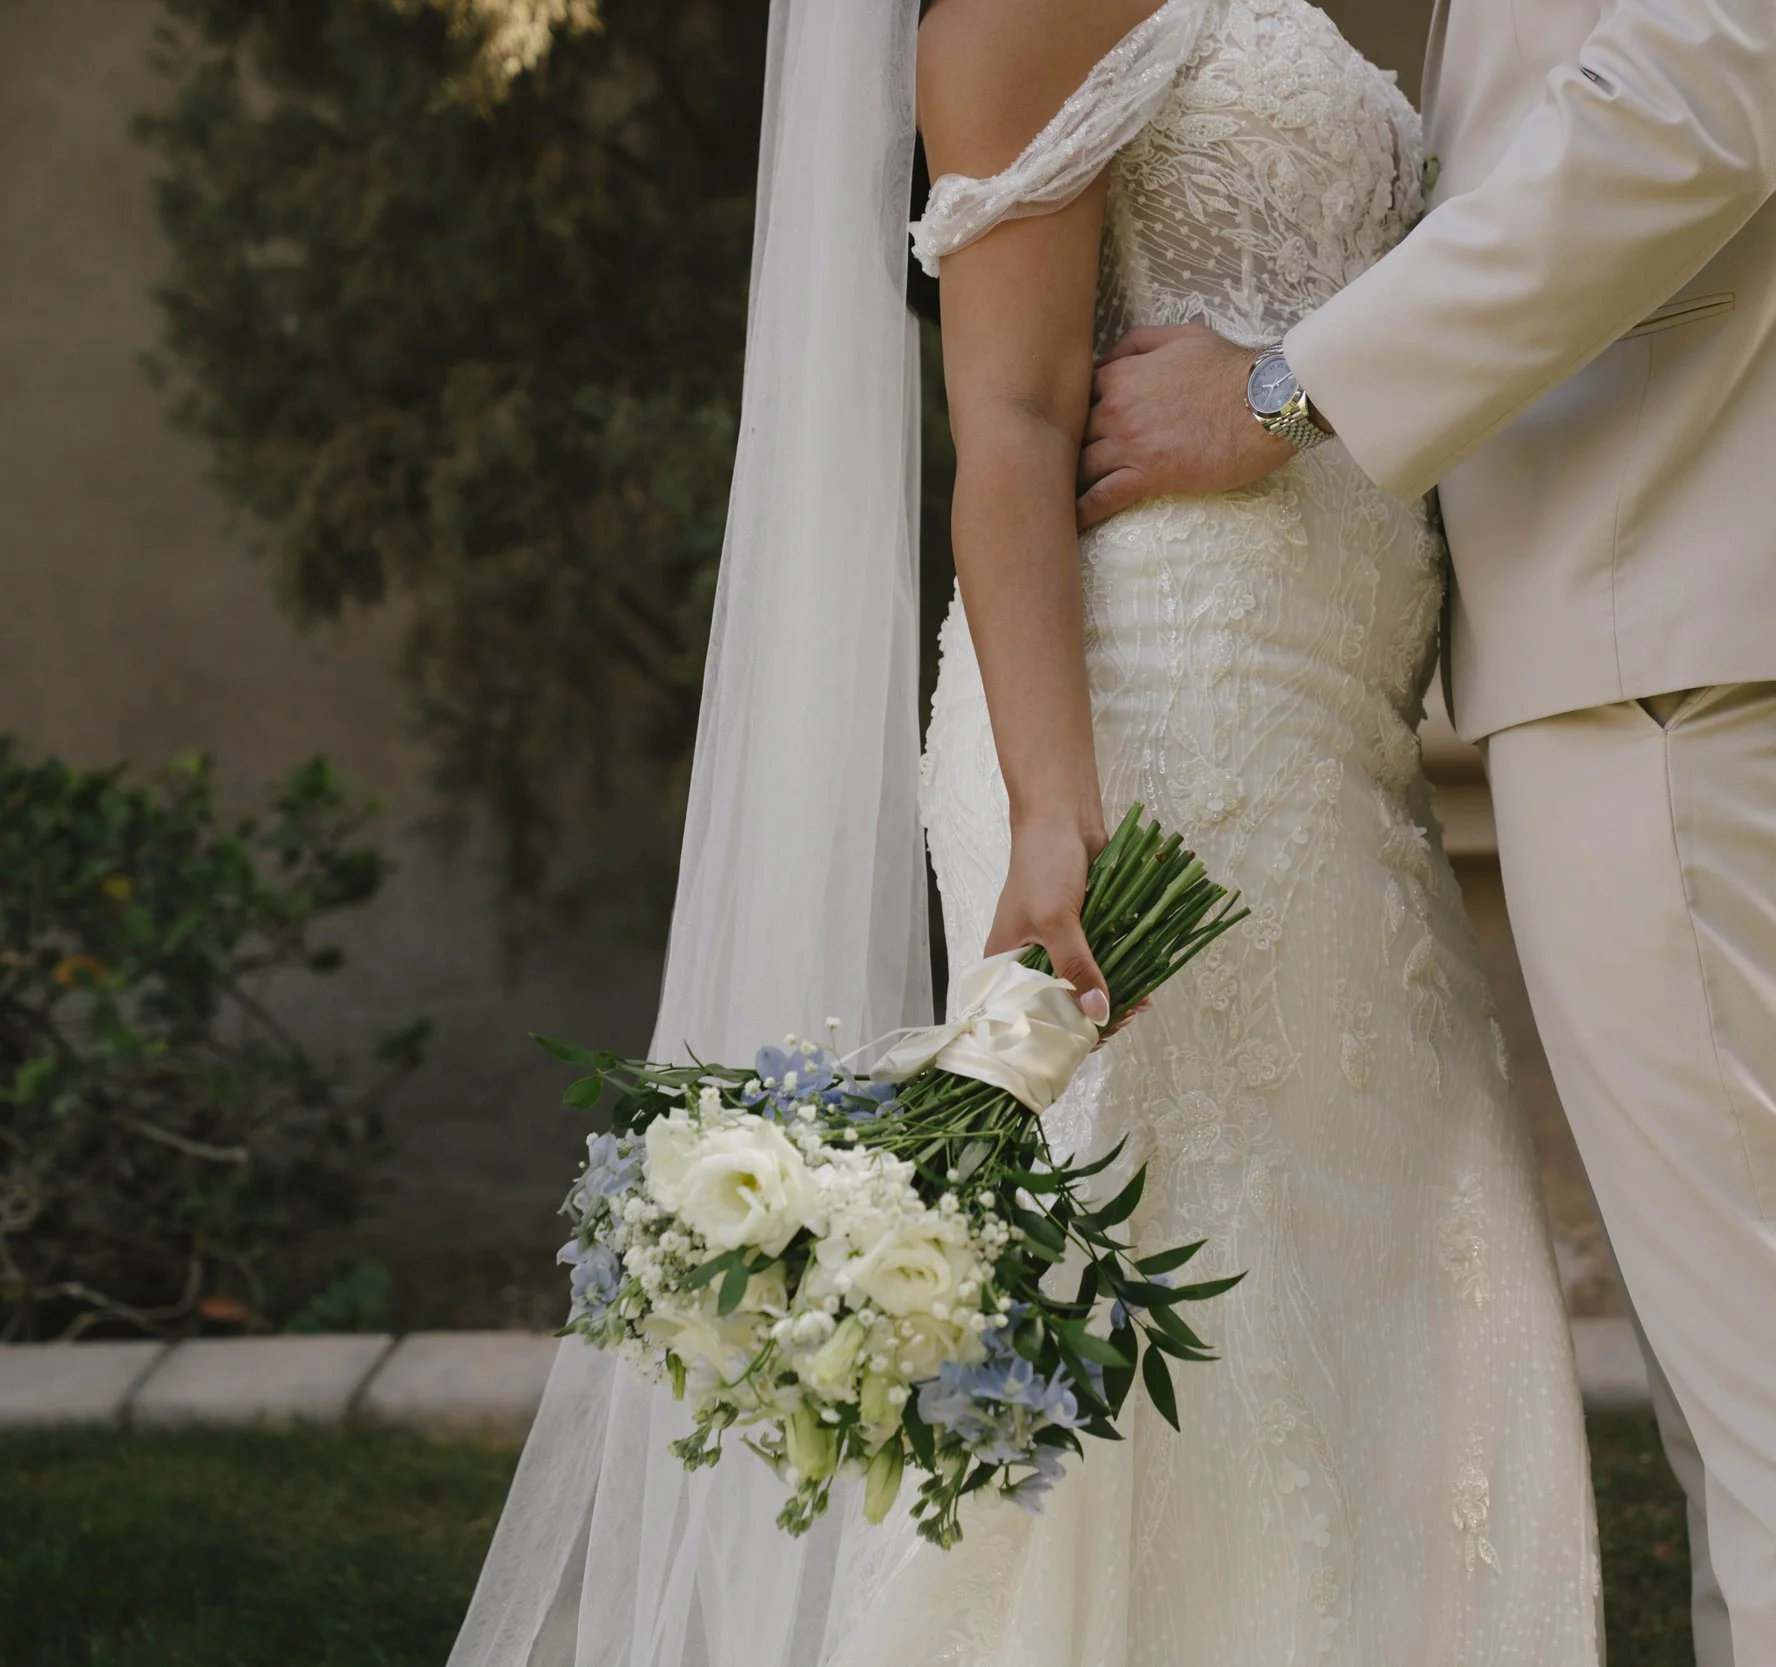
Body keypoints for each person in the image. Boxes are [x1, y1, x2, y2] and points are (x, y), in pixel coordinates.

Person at [449, 1, 1602, 1662]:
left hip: (1332, 730)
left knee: (1393, 1284)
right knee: (1190, 1321)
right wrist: (1056, 808)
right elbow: (1006, 422)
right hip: (1165, 720)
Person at [1075, 0, 1776, 1662]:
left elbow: (1682, 112)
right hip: (1687, 581)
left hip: (1688, 567)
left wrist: (1287, 388)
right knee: (1756, 1375)